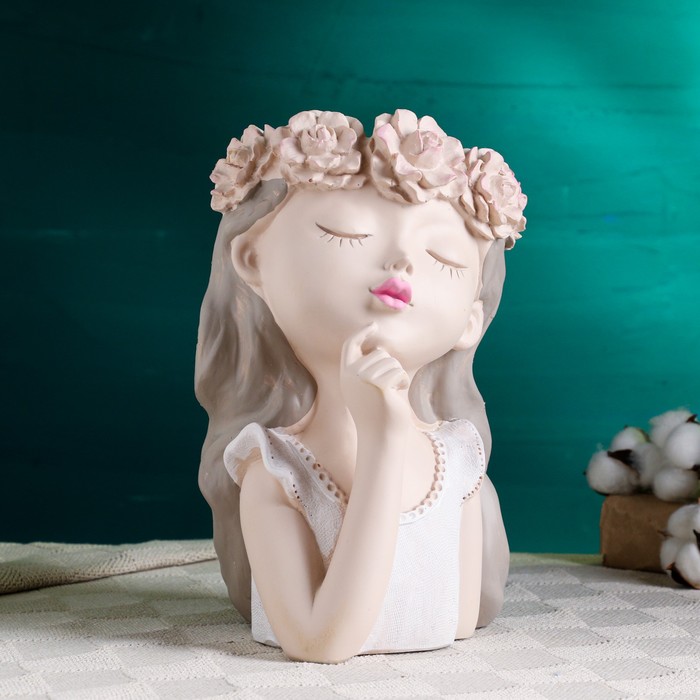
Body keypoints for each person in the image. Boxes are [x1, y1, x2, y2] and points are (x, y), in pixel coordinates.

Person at [195, 109, 527, 663]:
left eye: (442, 257)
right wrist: (381, 443)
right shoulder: (275, 469)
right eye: (346, 232)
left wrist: (391, 432)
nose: (401, 262)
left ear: (471, 320)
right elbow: (319, 642)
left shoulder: (458, 460)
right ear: (254, 261)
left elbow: (458, 621)